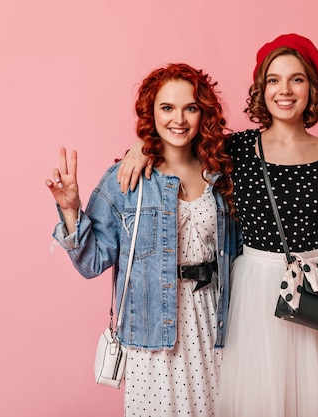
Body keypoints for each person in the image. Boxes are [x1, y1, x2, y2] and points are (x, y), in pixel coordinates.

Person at [118, 34, 318, 417]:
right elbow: (178, 137)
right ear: (261, 88)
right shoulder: (236, 150)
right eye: (273, 79)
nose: (284, 90)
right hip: (254, 293)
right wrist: (142, 147)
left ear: (312, 89)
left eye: (296, 79)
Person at [46, 63, 238, 417]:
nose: (178, 119)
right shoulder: (127, 179)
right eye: (167, 108)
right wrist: (72, 210)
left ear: (203, 113)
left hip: (216, 325)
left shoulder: (222, 173)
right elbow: (92, 263)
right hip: (153, 333)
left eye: (190, 108)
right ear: (151, 112)